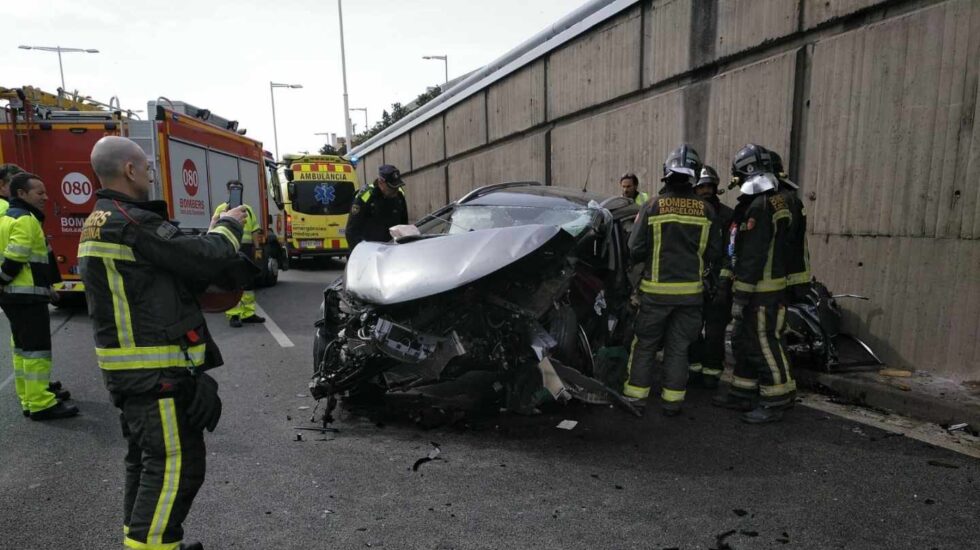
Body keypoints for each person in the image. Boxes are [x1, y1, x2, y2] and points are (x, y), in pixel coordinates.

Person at [82, 136, 247, 550]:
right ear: (130, 171)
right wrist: (230, 227)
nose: (151, 176)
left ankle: (146, 542)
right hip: (154, 375)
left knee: (146, 465)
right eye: (148, 169)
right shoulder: (129, 221)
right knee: (176, 468)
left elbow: (167, 272)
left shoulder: (103, 218)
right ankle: (152, 546)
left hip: (135, 373)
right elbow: (202, 258)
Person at [623, 145, 722, 416]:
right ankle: (672, 402)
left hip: (655, 294)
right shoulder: (706, 210)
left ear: (666, 173)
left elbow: (634, 247)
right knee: (679, 349)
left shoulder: (652, 206)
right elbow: (715, 253)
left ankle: (636, 400)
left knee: (644, 345)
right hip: (691, 295)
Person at [713, 144, 795, 424]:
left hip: (763, 293)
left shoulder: (761, 206)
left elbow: (752, 257)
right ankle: (743, 392)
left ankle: (777, 399)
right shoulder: (766, 203)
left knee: (764, 343)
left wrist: (740, 297)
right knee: (743, 341)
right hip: (759, 290)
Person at [0, 172, 76, 420]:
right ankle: (42, 403)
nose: (45, 197)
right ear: (21, 194)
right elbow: (15, 258)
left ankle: (29, 397)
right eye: (39, 193)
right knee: (36, 351)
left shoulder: (6, 218)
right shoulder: (26, 220)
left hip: (14, 297)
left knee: (23, 350)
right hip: (27, 297)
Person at [687, 165, 734, 389]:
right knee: (692, 329)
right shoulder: (689, 213)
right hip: (692, 280)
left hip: (718, 280)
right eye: (701, 186)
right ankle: (693, 369)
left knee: (715, 331)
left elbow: (731, 250)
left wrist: (723, 282)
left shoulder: (726, 215)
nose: (706, 190)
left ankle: (712, 374)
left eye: (709, 186)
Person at [212, 180, 264, 328]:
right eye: (234, 190)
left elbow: (254, 230)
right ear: (228, 192)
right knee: (232, 283)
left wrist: (258, 248)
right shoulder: (222, 209)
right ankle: (234, 315)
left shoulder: (247, 209)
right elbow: (215, 227)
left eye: (239, 189)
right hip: (230, 248)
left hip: (247, 249)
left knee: (248, 283)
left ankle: (248, 313)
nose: (237, 192)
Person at [770, 151, 811, 301]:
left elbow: (784, 240)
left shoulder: (783, 200)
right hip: (794, 275)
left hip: (788, 278)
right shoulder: (790, 198)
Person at [345, 164, 408, 249]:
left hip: (393, 250)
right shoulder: (365, 197)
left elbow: (404, 224)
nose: (395, 190)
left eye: (397, 186)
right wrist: (361, 254)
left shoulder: (399, 195)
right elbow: (351, 232)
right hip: (370, 251)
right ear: (380, 183)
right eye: (391, 187)